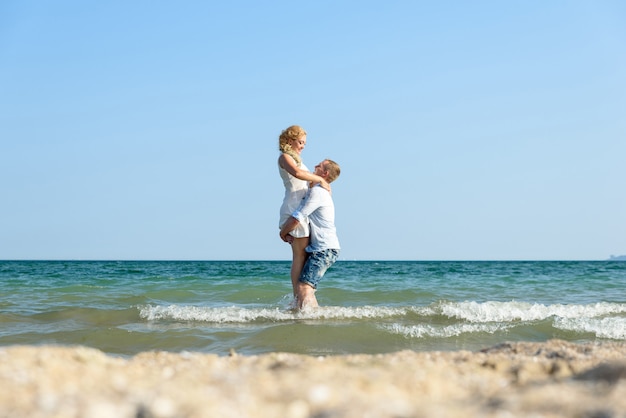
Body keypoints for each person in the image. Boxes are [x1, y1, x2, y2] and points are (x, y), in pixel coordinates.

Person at [278, 125, 330, 300]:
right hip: (293, 208)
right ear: (290, 141)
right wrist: (320, 179)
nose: (303, 146)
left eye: (304, 143)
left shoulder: (297, 159)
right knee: (299, 256)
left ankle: (302, 296)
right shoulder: (285, 157)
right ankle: (297, 298)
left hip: (301, 210)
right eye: (300, 142)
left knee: (304, 256)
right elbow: (298, 174)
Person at [280, 159, 341, 309]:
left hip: (324, 250)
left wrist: (283, 232)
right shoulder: (317, 190)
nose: (314, 166)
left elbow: (298, 216)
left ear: (325, 173)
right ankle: (309, 315)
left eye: (319, 166)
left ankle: (310, 319)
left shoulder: (318, 193)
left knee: (304, 288)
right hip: (321, 249)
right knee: (307, 289)